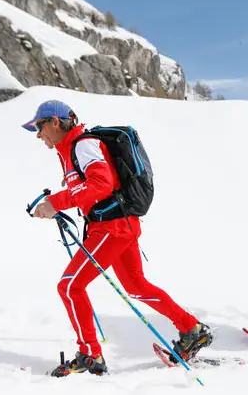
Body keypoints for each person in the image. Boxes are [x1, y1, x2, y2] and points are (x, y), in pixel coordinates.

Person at [23, 100, 212, 376]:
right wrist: (62, 203)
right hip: (119, 225)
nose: (38, 135)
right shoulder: (70, 150)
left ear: (54, 121)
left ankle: (91, 355)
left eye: (39, 127)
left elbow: (101, 185)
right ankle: (191, 329)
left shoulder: (82, 145)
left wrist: (57, 202)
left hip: (111, 228)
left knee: (69, 286)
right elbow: (92, 188)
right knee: (136, 286)